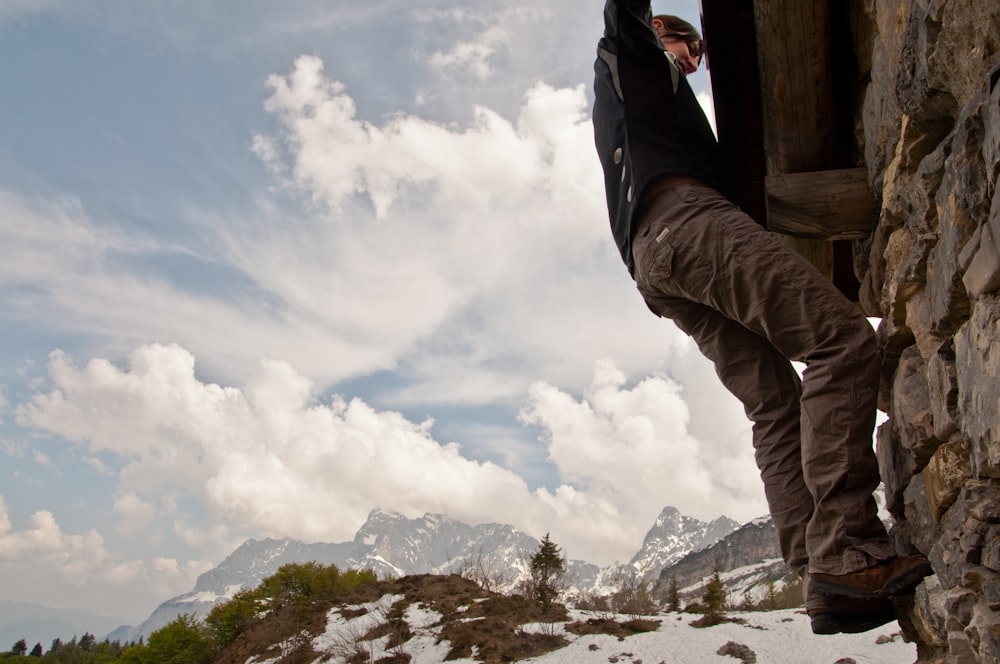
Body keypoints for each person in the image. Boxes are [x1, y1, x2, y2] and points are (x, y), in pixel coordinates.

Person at [592, 0, 933, 635]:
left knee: (774, 405)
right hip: (686, 225)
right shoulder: (629, 58)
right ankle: (849, 548)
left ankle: (820, 571)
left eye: (697, 54)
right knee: (840, 340)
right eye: (686, 47)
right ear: (658, 33)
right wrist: (650, 35)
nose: (694, 62)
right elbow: (623, 13)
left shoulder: (635, 110)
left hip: (654, 265)